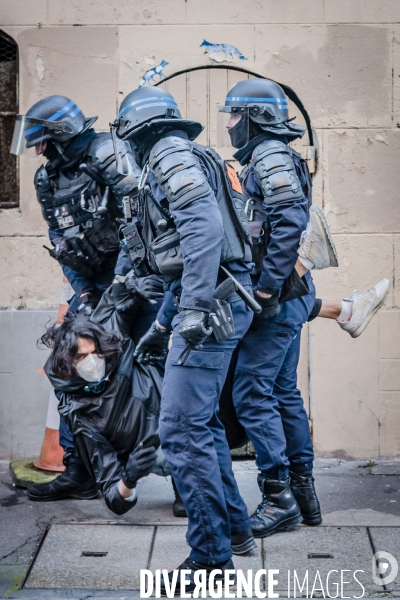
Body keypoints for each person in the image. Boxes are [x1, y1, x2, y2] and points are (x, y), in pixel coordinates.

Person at [219, 77, 390, 537]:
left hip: (276, 302)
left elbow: (290, 219)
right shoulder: (267, 155)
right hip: (293, 299)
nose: (229, 124)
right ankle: (304, 497)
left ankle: (278, 499)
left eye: (233, 114)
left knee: (252, 396)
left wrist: (268, 288)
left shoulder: (269, 155)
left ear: (254, 117)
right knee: (282, 394)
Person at [113, 85, 260, 593]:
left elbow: (203, 232)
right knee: (202, 424)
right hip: (213, 297)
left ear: (134, 130)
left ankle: (211, 560)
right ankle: (235, 530)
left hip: (214, 303)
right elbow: (184, 260)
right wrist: (160, 327)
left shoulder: (169, 155)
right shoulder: (174, 155)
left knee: (179, 429)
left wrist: (193, 310)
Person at [10, 96, 169, 504]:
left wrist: (122, 282)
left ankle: (186, 481)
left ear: (60, 135)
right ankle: (79, 471)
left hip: (140, 276)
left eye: (42, 141)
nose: (37, 150)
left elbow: (139, 217)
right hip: (95, 284)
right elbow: (60, 241)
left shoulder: (108, 152)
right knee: (69, 369)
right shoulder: (47, 179)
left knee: (160, 372)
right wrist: (84, 292)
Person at [34, 280, 167, 515]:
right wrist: (129, 479)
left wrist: (135, 287)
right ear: (68, 363)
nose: (94, 360)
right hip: (154, 449)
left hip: (174, 411)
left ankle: (187, 489)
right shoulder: (80, 415)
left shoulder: (111, 345)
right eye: (82, 356)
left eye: (95, 352)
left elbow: (114, 296)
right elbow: (114, 498)